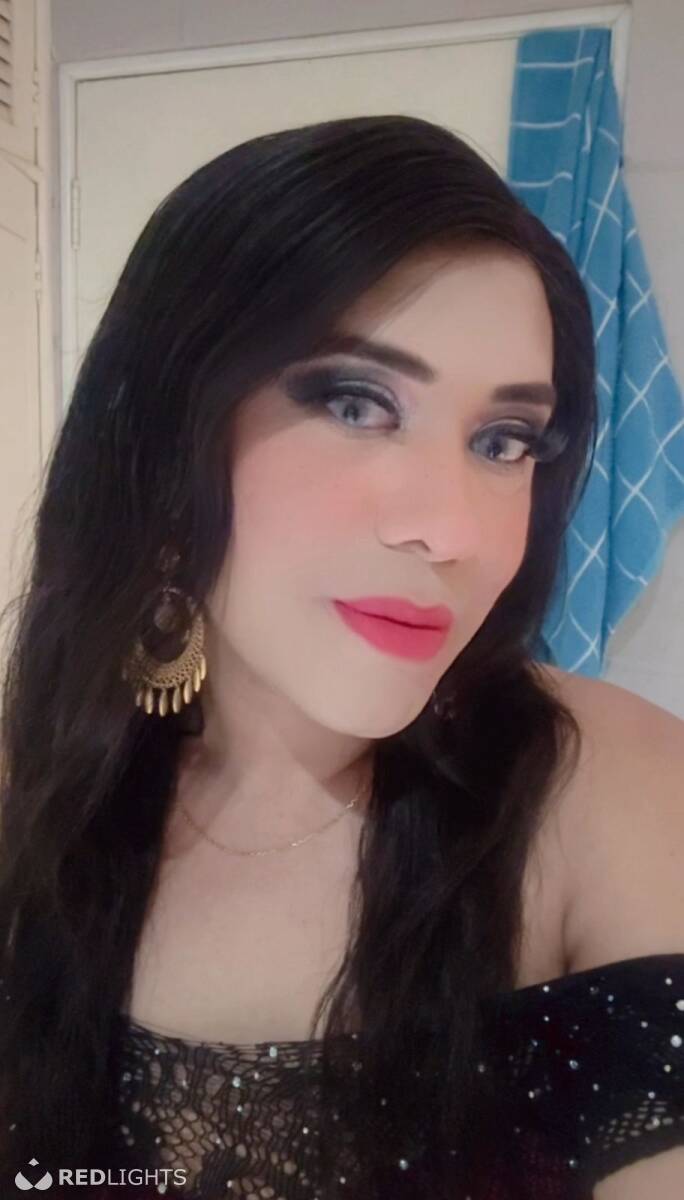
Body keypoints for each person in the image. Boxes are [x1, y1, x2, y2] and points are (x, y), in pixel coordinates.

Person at [0, 114, 681, 1200]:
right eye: (358, 404)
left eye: (504, 441)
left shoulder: (609, 786)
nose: (451, 531)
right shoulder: (35, 791)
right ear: (170, 434)